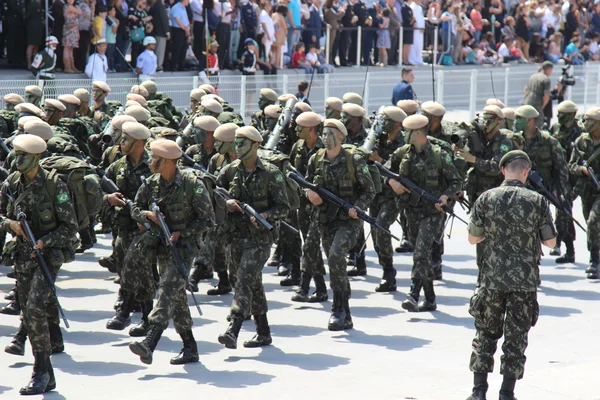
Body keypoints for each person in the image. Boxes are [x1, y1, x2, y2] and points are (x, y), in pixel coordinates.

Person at [466, 150, 556, 400]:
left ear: (503, 170)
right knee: (516, 338)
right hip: (524, 283)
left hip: (491, 279)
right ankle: (506, 394)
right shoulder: (537, 201)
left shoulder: (486, 198)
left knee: (485, 333)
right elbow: (550, 242)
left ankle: (478, 392)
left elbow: (473, 237)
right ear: (526, 172)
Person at [0, 134, 78, 394]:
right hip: (22, 256)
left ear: (36, 158)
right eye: (16, 154)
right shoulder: (11, 184)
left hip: (48, 256)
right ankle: (47, 373)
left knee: (34, 308)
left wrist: (45, 241)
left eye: (22, 155)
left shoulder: (56, 186)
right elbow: (2, 216)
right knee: (29, 313)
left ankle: (40, 371)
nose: (16, 159)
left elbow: (70, 228)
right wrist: (12, 225)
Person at [129, 139, 215, 365]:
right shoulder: (150, 183)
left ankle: (150, 342)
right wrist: (149, 216)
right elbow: (135, 208)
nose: (149, 161)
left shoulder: (191, 183)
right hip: (161, 246)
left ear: (167, 161)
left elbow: (208, 220)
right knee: (176, 298)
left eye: (154, 157)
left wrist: (182, 233)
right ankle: (190, 346)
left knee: (166, 289)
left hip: (184, 249)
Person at [217, 126, 290, 348]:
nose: (237, 147)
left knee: (245, 277)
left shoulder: (271, 173)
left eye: (242, 143)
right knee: (252, 282)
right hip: (236, 237)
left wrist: (266, 214)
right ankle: (263, 332)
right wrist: (226, 204)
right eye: (236, 143)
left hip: (260, 239)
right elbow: (215, 196)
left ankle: (234, 327)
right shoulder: (229, 171)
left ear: (256, 145)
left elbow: (284, 207)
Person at [385, 114, 462, 312]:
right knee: (423, 256)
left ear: (418, 133)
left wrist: (445, 197)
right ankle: (430, 298)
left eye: (408, 131)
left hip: (432, 213)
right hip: (410, 212)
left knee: (420, 252)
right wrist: (392, 182)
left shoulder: (438, 155)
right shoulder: (402, 153)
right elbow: (383, 171)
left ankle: (412, 293)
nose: (404, 134)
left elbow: (456, 181)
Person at [304, 118, 375, 330]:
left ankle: (337, 308)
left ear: (341, 137)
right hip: (326, 220)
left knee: (336, 256)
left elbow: (369, 190)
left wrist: (358, 207)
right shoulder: (316, 159)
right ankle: (346, 309)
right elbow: (306, 183)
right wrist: (309, 194)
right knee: (335, 265)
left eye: (330, 134)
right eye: (323, 134)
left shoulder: (354, 161)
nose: (326, 138)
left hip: (349, 221)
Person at [103, 121, 152, 333]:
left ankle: (141, 314)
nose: (121, 143)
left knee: (143, 272)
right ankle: (128, 312)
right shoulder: (117, 166)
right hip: (124, 227)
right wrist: (108, 198)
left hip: (146, 229)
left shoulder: (154, 166)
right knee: (124, 269)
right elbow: (100, 189)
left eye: (126, 139)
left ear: (139, 142)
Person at [368, 106, 407, 292]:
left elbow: (403, 172)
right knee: (376, 233)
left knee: (381, 226)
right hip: (375, 192)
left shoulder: (404, 142)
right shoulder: (377, 138)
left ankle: (389, 272)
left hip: (392, 195)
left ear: (397, 124)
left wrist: (379, 160)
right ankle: (385, 267)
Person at [455, 105, 513, 203]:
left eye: (489, 120)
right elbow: (463, 165)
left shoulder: (504, 142)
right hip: (474, 193)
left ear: (499, 122)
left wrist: (474, 160)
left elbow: (497, 168)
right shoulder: (477, 137)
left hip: (494, 195)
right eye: (483, 119)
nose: (485, 123)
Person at [548, 100, 581, 263]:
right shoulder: (555, 129)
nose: (559, 117)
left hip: (573, 178)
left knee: (564, 211)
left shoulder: (579, 133)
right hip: (556, 176)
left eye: (562, 114)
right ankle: (558, 242)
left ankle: (568, 248)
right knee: (559, 211)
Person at [569, 107, 600, 279]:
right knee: (591, 224)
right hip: (587, 189)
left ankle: (594, 261)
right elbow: (571, 165)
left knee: (594, 221)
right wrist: (582, 169)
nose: (585, 123)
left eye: (589, 120)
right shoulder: (581, 141)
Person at [521, 61, 552, 129]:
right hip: (536, 103)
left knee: (524, 122)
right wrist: (542, 107)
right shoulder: (546, 79)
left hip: (525, 101)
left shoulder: (532, 76)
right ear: (549, 69)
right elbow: (546, 96)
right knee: (538, 124)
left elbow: (525, 90)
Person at [62, 0, 82, 73]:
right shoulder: (67, 6)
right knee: (67, 47)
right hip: (68, 28)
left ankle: (72, 66)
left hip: (74, 29)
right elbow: (79, 12)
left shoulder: (75, 6)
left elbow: (79, 11)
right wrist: (77, 8)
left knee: (71, 48)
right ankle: (67, 67)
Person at [170, 0, 191, 72]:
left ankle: (181, 65)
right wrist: (185, 28)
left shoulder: (184, 8)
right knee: (177, 48)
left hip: (184, 30)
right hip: (178, 30)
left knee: (183, 48)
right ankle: (174, 65)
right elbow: (177, 20)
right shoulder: (176, 7)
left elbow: (186, 20)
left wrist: (188, 28)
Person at [408, 0, 424, 65]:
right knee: (414, 44)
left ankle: (419, 59)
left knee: (419, 44)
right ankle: (412, 59)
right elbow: (413, 17)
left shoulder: (420, 7)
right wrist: (417, 26)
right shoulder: (412, 6)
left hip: (421, 30)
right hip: (415, 29)